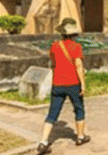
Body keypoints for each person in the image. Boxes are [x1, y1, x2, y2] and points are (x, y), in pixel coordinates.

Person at [37, 19, 89, 154]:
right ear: (73, 33)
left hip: (58, 83)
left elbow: (53, 63)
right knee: (79, 109)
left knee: (52, 113)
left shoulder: (54, 46)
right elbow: (78, 66)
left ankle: (43, 142)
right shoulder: (76, 47)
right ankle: (80, 137)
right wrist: (83, 84)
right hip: (73, 83)